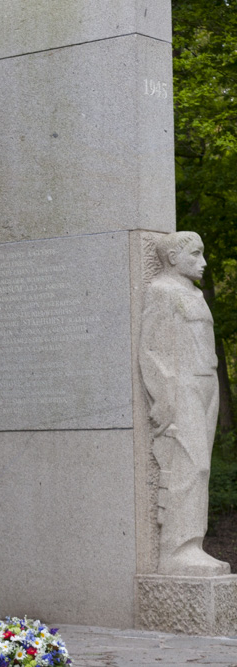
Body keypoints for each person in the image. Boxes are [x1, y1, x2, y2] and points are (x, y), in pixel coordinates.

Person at [139, 231, 230, 576]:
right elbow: (149, 348)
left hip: (206, 382)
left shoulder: (193, 293)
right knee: (186, 464)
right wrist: (163, 396)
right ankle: (176, 550)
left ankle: (193, 543)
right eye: (195, 255)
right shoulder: (161, 291)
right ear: (174, 257)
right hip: (182, 385)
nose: (203, 263)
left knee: (201, 466)